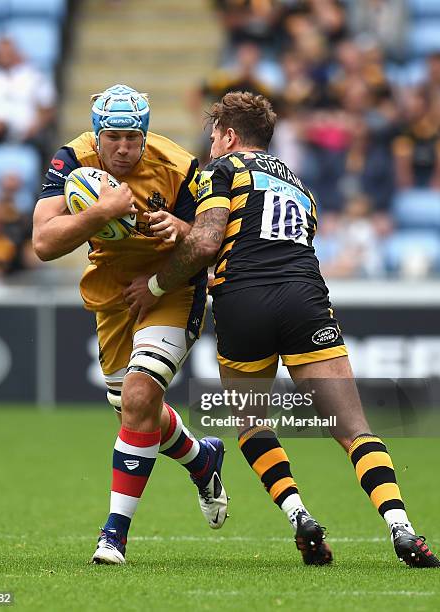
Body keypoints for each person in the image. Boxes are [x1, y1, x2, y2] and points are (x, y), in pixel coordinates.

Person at [125, 91, 440, 568]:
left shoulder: (221, 171)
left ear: (229, 136)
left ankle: (300, 518)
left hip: (244, 301)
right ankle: (402, 528)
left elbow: (211, 241)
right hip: (305, 300)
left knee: (251, 423)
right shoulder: (299, 185)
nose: (211, 144)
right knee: (354, 429)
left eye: (214, 135)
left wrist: (154, 284)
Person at [32, 84, 228, 565]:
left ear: (146, 136)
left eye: (133, 138)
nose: (124, 148)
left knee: (141, 396)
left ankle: (113, 536)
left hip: (172, 286)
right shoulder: (71, 160)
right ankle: (202, 461)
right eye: (114, 137)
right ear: (97, 137)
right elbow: (43, 241)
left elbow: (210, 238)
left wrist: (179, 232)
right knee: (135, 416)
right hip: (115, 292)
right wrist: (103, 210)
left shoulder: (179, 166)